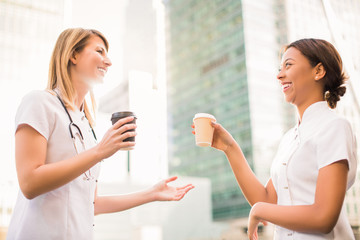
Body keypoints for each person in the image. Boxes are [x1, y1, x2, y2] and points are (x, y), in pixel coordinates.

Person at [7, 28, 194, 240]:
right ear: (73, 55)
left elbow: (91, 203)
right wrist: (99, 152)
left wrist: (151, 194)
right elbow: (29, 183)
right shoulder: (39, 102)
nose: (109, 61)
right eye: (99, 51)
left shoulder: (86, 127)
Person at [193, 38, 357, 240]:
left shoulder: (334, 127)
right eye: (280, 68)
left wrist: (260, 210)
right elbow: (268, 200)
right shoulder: (289, 139)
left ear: (318, 71)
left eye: (288, 65)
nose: (279, 75)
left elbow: (324, 217)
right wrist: (230, 147)